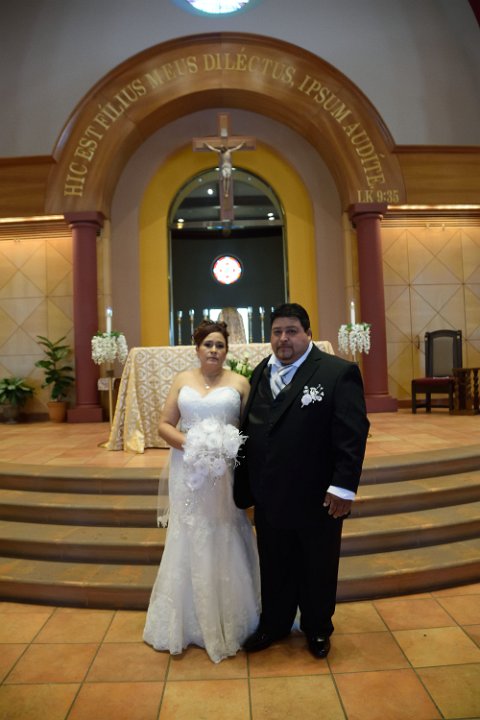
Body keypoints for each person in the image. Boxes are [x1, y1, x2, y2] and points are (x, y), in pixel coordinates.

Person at [233, 303, 369, 659]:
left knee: (317, 564)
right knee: (274, 562)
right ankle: (275, 624)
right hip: (268, 493)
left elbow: (352, 433)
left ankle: (317, 627)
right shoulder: (260, 372)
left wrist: (343, 487)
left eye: (291, 331)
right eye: (277, 332)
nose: (283, 339)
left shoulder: (337, 372)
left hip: (316, 495)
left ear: (308, 334)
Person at [143, 319, 260, 663]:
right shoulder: (183, 380)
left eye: (220, 345)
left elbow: (253, 430)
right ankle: (187, 618)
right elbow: (164, 425)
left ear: (227, 350)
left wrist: (224, 448)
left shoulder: (240, 383)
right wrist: (193, 445)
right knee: (191, 531)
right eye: (208, 344)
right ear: (197, 348)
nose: (214, 350)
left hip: (225, 474)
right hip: (189, 470)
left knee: (225, 528)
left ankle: (232, 616)